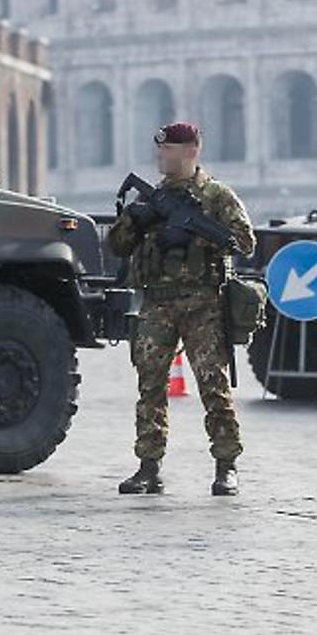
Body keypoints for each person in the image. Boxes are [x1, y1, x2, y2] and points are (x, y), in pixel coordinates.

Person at [106, 121, 255, 496]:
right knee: (150, 385)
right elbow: (118, 247)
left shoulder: (216, 197)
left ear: (191, 151)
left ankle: (226, 466)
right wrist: (134, 221)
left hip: (203, 303)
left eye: (169, 149)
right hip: (157, 302)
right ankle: (148, 466)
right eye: (160, 149)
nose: (161, 155)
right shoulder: (151, 198)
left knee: (213, 385)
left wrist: (194, 236)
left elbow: (245, 242)